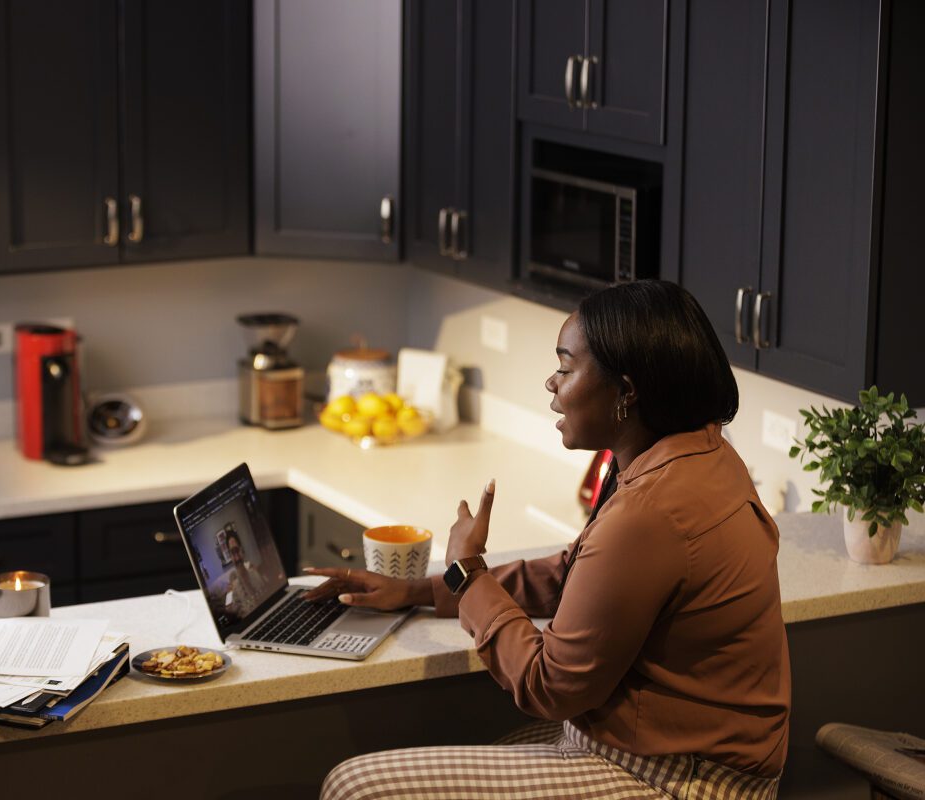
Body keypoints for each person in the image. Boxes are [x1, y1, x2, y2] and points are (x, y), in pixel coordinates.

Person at [306, 280, 791, 800]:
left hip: (680, 780)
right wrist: (421, 591)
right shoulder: (703, 455)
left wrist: (468, 573)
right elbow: (575, 574)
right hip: (686, 757)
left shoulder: (650, 512)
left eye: (565, 367)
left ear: (626, 391)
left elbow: (548, 685)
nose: (550, 383)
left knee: (355, 787)